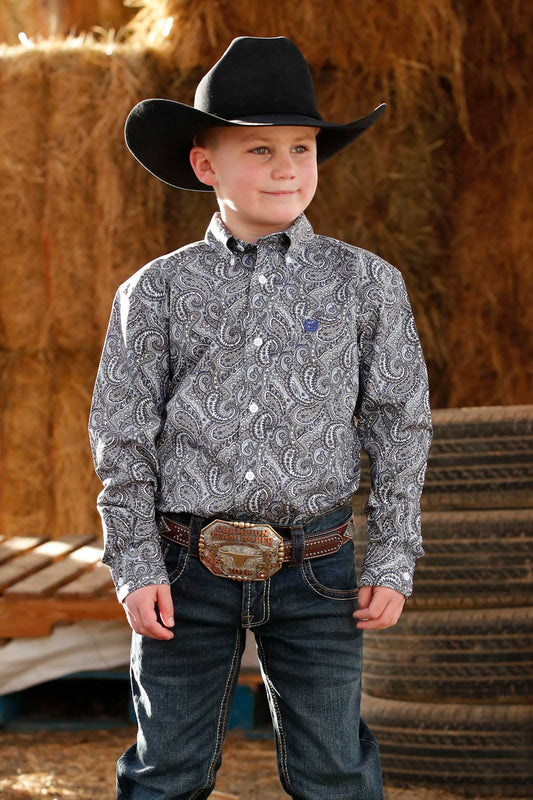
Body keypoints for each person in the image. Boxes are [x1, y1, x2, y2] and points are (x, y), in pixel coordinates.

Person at [88, 35, 433, 800]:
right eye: (259, 150)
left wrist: (391, 557)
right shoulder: (155, 292)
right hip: (184, 567)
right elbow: (122, 433)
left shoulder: (364, 283)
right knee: (165, 769)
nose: (286, 168)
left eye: (302, 149)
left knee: (333, 771)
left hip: (319, 567)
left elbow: (399, 425)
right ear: (205, 164)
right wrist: (136, 561)